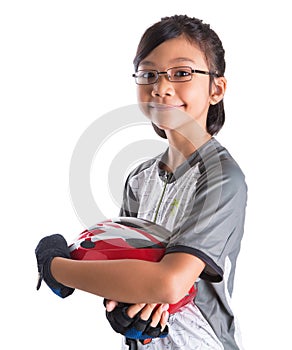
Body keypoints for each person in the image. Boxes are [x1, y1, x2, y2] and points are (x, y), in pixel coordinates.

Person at [35, 15, 247, 350]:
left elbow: (171, 283)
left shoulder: (221, 177)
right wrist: (123, 307)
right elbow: (127, 269)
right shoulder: (139, 178)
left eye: (181, 73)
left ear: (216, 88)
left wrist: (56, 267)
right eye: (149, 74)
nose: (161, 87)